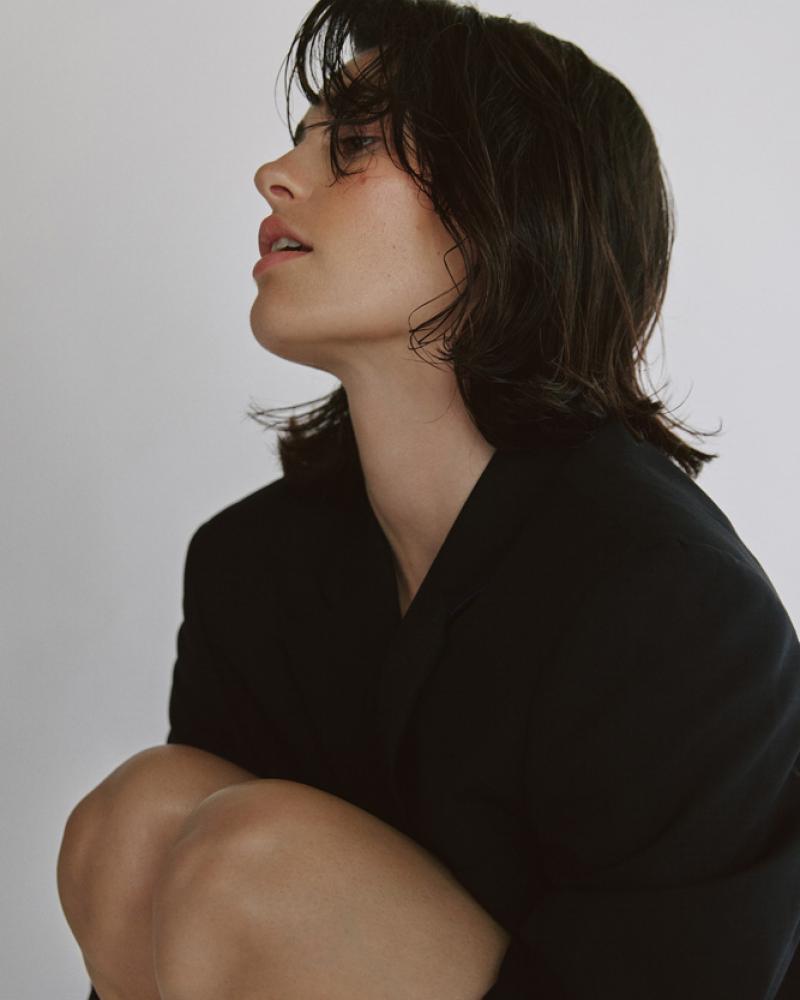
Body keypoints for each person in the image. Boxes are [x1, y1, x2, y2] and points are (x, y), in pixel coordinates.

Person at [57, 1, 800, 998]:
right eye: (300, 138)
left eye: (353, 144)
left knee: (252, 864)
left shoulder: (669, 604)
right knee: (138, 816)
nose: (274, 174)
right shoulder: (252, 565)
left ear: (507, 209)